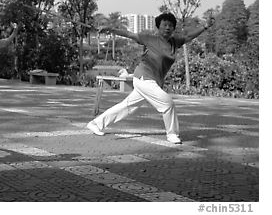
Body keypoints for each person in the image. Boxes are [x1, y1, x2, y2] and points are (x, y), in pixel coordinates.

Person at [86, 12, 214, 144]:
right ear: (158, 26)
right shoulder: (150, 39)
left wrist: (205, 27)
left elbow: (188, 36)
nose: (167, 27)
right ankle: (172, 134)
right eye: (164, 25)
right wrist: (110, 29)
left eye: (170, 25)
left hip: (153, 81)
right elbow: (129, 34)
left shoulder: (175, 42)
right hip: (143, 78)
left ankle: (96, 123)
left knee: (127, 106)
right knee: (167, 102)